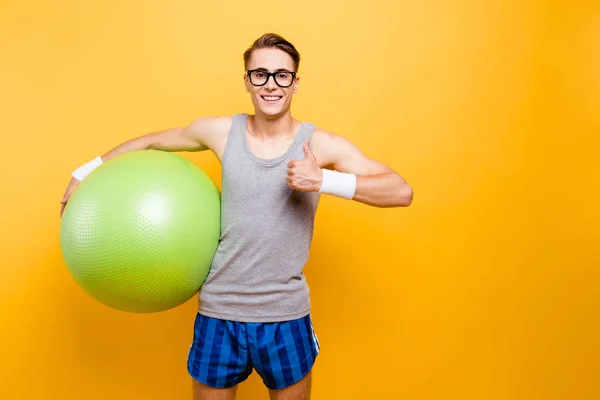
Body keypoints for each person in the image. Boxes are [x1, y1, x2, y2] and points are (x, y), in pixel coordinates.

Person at [59, 33, 413, 400]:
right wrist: (85, 172)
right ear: (246, 81)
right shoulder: (220, 132)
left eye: (281, 75)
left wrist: (324, 179)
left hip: (285, 315)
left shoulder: (319, 145)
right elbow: (151, 142)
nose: (271, 84)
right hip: (219, 311)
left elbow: (401, 191)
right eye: (260, 74)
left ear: (295, 82)